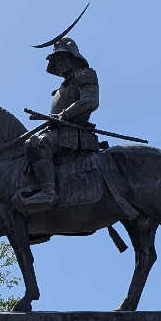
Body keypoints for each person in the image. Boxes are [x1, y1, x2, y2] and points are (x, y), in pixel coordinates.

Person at [20, 34, 100, 207]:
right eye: (56, 60)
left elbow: (90, 101)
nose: (58, 63)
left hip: (74, 133)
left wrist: (63, 115)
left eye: (61, 58)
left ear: (71, 57)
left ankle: (48, 191)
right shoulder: (60, 89)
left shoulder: (85, 75)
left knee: (39, 144)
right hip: (58, 131)